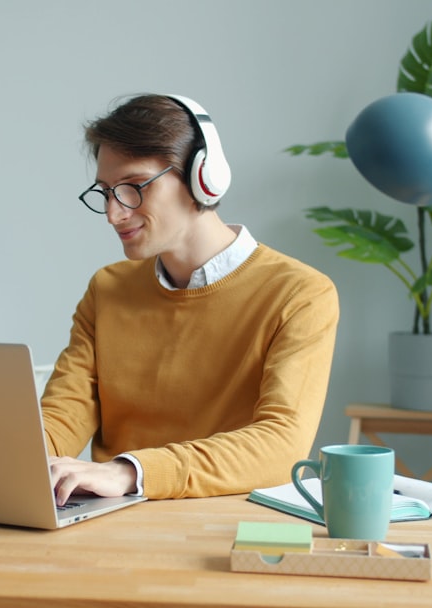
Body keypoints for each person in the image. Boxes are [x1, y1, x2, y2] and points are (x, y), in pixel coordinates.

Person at [43, 93, 340, 505]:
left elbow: (282, 444)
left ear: (203, 177)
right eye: (107, 192)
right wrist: (17, 454)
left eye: (132, 187)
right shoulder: (107, 288)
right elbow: (64, 414)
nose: (114, 213)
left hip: (225, 526)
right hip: (112, 522)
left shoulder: (299, 294)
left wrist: (130, 472)